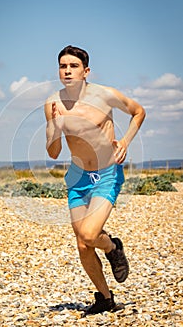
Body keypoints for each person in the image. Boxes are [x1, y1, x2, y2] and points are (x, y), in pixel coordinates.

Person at [44, 45, 146, 315]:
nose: (67, 71)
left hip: (106, 172)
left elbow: (139, 112)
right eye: (63, 66)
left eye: (73, 66)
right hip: (77, 177)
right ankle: (105, 299)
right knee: (82, 244)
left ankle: (113, 247)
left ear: (86, 71)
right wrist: (54, 126)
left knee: (90, 235)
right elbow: (54, 152)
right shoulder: (53, 104)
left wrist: (124, 141)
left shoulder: (105, 95)